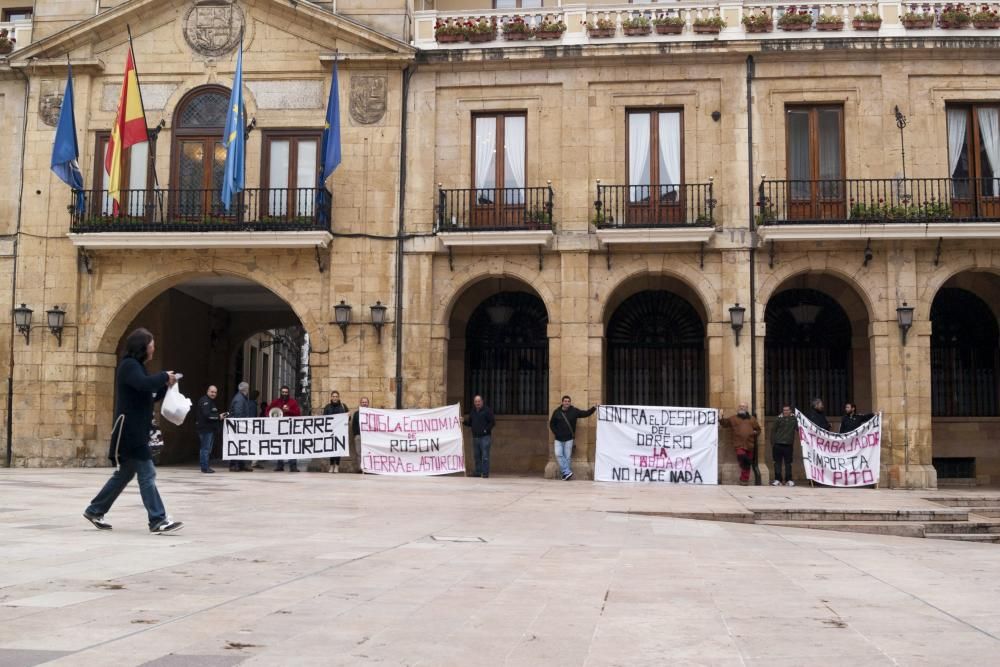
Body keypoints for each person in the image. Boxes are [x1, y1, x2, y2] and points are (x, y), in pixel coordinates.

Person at [82, 327, 183, 534]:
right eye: (151, 345)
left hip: (135, 431)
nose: (153, 349)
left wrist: (165, 386)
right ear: (142, 347)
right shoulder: (129, 366)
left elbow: (148, 394)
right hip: (130, 432)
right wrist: (163, 376)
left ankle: (95, 509)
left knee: (125, 474)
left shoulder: (137, 367)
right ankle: (158, 519)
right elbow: (143, 384)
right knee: (147, 473)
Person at [549, 395, 596, 481]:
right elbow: (552, 424)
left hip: (569, 438)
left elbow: (585, 413)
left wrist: (593, 408)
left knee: (567, 457)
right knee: (558, 454)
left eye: (568, 401)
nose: (567, 403)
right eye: (565, 401)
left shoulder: (574, 411)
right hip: (558, 439)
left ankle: (565, 474)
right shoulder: (557, 412)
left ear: (570, 403)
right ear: (562, 402)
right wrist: (556, 432)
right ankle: (567, 471)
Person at [721, 403, 761, 486]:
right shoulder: (733, 418)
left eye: (744, 407)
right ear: (738, 408)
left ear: (747, 408)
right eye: (740, 406)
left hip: (749, 444)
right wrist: (720, 417)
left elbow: (758, 430)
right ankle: (743, 478)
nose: (742, 408)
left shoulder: (752, 419)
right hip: (738, 444)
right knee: (743, 458)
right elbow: (724, 424)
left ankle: (744, 480)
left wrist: (754, 432)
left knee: (746, 464)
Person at [267, 385, 302, 471]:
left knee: (292, 446)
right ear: (281, 393)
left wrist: (288, 411)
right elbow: (268, 411)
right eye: (283, 392)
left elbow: (298, 413)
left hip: (290, 428)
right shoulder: (276, 402)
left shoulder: (293, 402)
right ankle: (280, 465)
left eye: (286, 392)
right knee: (280, 445)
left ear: (288, 393)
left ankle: (293, 466)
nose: (284, 394)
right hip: (279, 428)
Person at [463, 395, 496, 478]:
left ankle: (485, 473)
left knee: (485, 455)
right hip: (475, 437)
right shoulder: (473, 411)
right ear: (474, 403)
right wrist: (463, 421)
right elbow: (470, 423)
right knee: (477, 456)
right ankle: (478, 472)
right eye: (476, 402)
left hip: (485, 437)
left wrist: (486, 430)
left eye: (479, 401)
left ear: (482, 401)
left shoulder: (487, 411)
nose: (477, 403)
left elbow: (492, 422)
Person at [195, 385, 225, 473]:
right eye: (212, 392)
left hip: (209, 429)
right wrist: (218, 417)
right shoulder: (205, 401)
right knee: (205, 448)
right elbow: (207, 415)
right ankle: (204, 467)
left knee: (207, 449)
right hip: (205, 429)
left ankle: (206, 466)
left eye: (215, 392)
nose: (213, 394)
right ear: (208, 391)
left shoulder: (210, 401)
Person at [228, 382, 254, 472]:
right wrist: (243, 424)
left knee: (241, 445)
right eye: (248, 388)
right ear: (245, 389)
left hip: (240, 426)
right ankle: (234, 464)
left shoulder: (241, 397)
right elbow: (238, 414)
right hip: (238, 426)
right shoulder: (240, 399)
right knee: (237, 445)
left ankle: (240, 464)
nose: (248, 390)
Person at [323, 390, 349, 472]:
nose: (335, 398)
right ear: (331, 397)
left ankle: (337, 466)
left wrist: (348, 416)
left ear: (338, 397)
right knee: (331, 449)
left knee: (338, 449)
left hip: (340, 431)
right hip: (330, 431)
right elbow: (324, 418)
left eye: (336, 396)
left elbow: (348, 418)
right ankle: (331, 466)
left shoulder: (343, 406)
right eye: (333, 396)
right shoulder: (327, 407)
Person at [771, 404, 796, 487]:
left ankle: (789, 479)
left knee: (788, 463)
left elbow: (799, 428)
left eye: (787, 410)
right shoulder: (778, 419)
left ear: (790, 411)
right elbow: (773, 431)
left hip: (788, 445)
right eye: (784, 410)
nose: (785, 412)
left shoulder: (794, 419)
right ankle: (778, 479)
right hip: (778, 444)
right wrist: (773, 443)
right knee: (777, 463)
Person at [351, 397, 369, 474]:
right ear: (360, 404)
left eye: (365, 402)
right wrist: (356, 434)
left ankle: (368, 468)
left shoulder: (371, 413)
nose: (364, 403)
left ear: (368, 403)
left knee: (368, 452)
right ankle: (360, 468)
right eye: (363, 402)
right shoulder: (356, 414)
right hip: (359, 436)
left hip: (369, 437)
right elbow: (353, 425)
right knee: (359, 453)